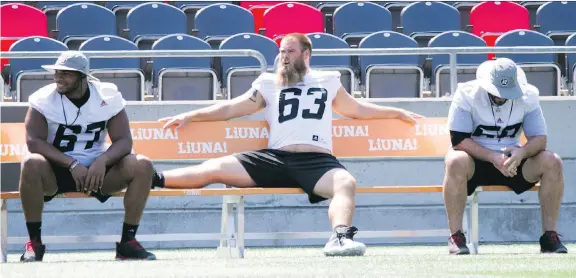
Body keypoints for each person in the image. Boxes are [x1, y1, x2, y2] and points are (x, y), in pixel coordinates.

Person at [152, 33, 422, 257]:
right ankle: (153, 178)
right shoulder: (268, 83)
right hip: (275, 158)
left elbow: (356, 109)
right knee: (214, 168)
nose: (284, 56)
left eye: (290, 51)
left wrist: (395, 112)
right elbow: (232, 108)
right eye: (281, 51)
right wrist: (190, 115)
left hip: (316, 162)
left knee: (345, 182)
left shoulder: (328, 80)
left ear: (306, 55)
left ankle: (340, 238)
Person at [20, 51, 156, 262]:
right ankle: (34, 243)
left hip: (97, 172)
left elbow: (124, 141)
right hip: (56, 170)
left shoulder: (107, 96)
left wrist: (102, 161)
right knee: (30, 162)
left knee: (143, 164)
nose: (58, 78)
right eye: (57, 72)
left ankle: (127, 243)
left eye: (66, 74)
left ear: (83, 76)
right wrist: (72, 164)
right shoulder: (43, 99)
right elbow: (34, 142)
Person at [443, 58, 567, 255]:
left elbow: (540, 139)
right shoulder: (467, 94)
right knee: (455, 160)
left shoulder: (529, 96)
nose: (501, 97)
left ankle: (549, 236)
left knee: (553, 161)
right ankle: (456, 236)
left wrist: (521, 153)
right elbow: (458, 140)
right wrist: (493, 157)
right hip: (475, 160)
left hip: (513, 162)